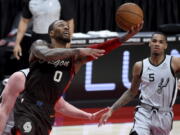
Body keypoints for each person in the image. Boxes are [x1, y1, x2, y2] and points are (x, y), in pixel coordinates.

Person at [10, 20, 142, 135]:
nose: (66, 27)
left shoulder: (75, 59)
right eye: (61, 25)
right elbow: (46, 54)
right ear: (51, 33)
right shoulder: (40, 45)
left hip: (47, 111)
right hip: (28, 105)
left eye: (67, 26)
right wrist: (78, 51)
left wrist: (126, 37)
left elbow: (103, 48)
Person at [98, 32, 180, 135]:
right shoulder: (140, 66)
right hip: (144, 112)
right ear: (149, 43)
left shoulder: (174, 62)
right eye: (154, 41)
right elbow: (131, 92)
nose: (157, 44)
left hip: (164, 114)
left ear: (165, 45)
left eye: (161, 42)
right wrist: (112, 109)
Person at [0, 68, 107, 135]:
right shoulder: (20, 78)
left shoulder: (51, 81)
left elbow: (61, 106)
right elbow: (4, 110)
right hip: (11, 130)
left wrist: (89, 116)